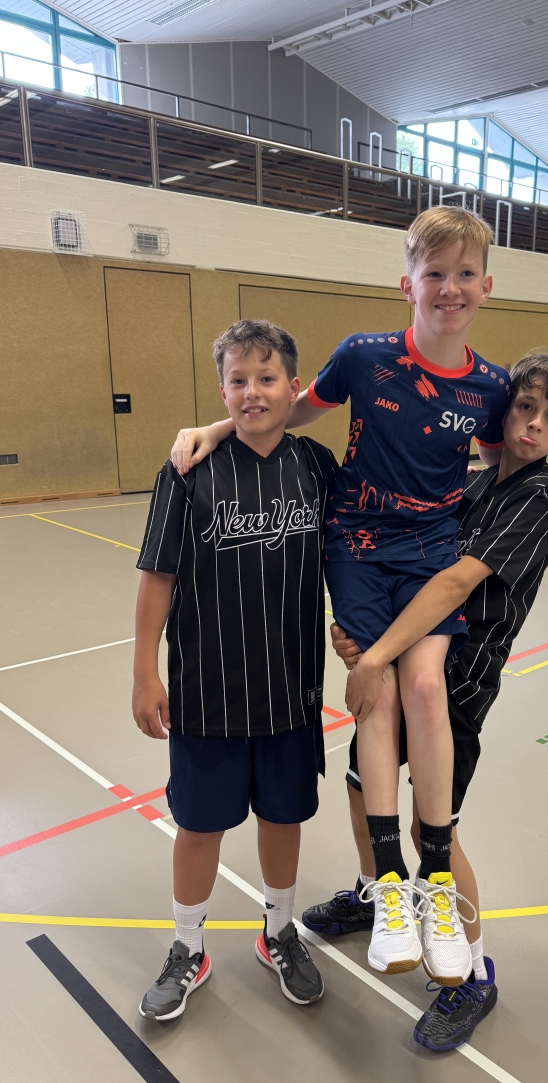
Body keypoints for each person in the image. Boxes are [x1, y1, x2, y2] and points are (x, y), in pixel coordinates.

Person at [169, 207, 548, 992]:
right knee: (380, 704)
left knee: (420, 686)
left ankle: (433, 879)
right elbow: (286, 411)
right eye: (435, 274)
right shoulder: (365, 358)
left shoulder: (493, 387)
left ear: (487, 287)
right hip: (357, 545)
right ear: (407, 284)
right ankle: (387, 885)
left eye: (466, 275)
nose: (450, 288)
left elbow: (504, 456)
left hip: (431, 552)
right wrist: (214, 428)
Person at [304, 351, 548, 1051]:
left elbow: (452, 584)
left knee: (435, 827)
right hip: (406, 659)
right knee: (360, 783)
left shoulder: (535, 497)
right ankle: (379, 892)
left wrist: (375, 654)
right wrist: (364, 632)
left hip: (455, 682)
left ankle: (475, 972)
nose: (534, 425)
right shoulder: (479, 480)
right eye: (525, 408)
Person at [132, 319, 337, 1021]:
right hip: (206, 691)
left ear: (292, 387)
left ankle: (278, 932)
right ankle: (188, 946)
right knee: (200, 825)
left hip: (291, 690)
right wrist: (145, 673)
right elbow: (157, 577)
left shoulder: (317, 467)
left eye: (266, 378)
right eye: (238, 380)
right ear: (222, 390)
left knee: (283, 816)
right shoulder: (187, 471)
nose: (253, 392)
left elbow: (372, 536)